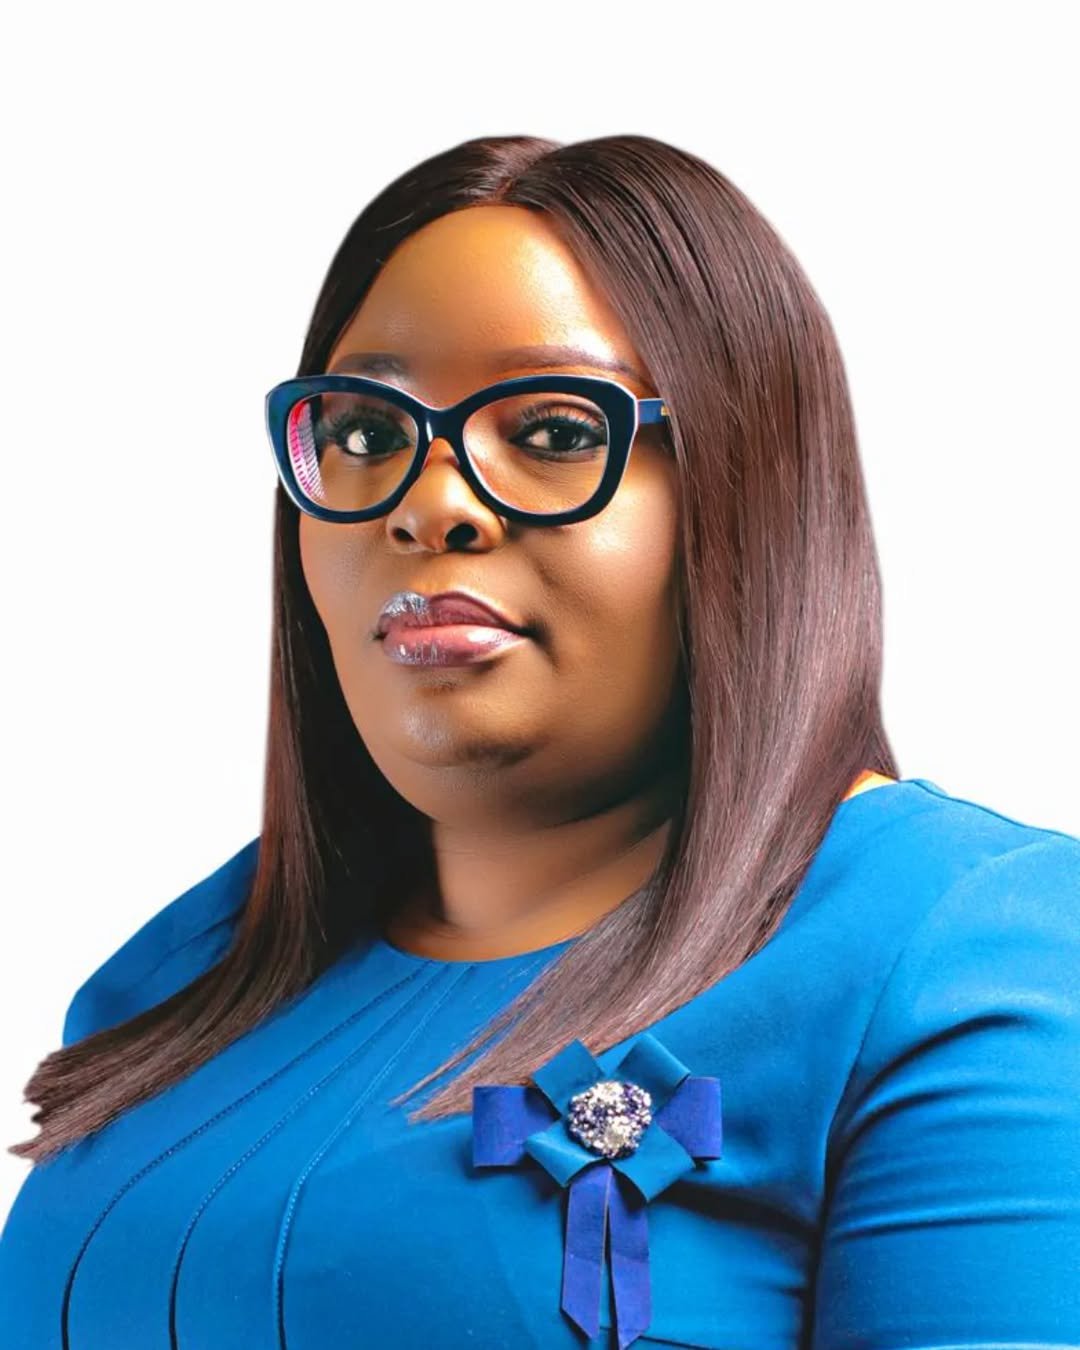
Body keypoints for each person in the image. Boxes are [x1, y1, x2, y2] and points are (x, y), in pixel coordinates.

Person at [1, 134, 1078, 1349]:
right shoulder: (189, 968)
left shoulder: (974, 956)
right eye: (365, 433)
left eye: (557, 432)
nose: (431, 502)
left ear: (750, 487)